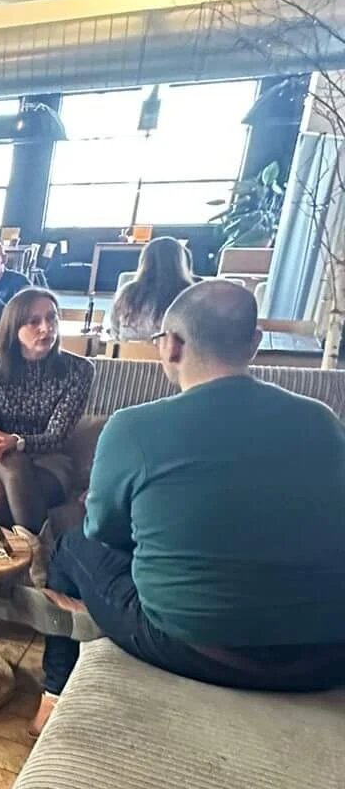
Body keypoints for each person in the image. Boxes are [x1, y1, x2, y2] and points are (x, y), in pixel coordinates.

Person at [35, 281, 345, 726]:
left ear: (172, 345)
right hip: (326, 657)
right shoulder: (323, 421)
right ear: (254, 343)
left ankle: (53, 696)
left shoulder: (133, 427)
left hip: (198, 648)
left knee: (69, 546)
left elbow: (103, 531)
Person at [0, 291, 93, 632]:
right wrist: (3, 444)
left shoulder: (78, 370)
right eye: (34, 321)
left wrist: (17, 441)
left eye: (52, 318)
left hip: (47, 465)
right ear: (13, 329)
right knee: (11, 462)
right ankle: (43, 563)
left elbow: (58, 435)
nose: (47, 328)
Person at [107, 235, 196, 342]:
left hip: (126, 351)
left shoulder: (126, 293)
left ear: (144, 261)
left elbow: (115, 333)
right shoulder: (189, 295)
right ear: (181, 262)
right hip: (169, 352)